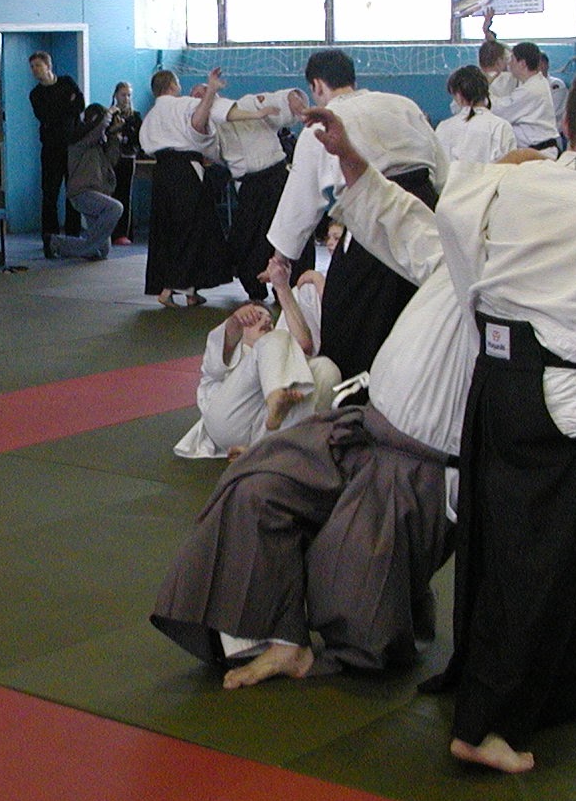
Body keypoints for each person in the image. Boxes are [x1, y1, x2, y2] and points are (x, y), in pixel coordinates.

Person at [154, 105, 465, 683]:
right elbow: (401, 221)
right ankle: (274, 637)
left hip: (418, 461)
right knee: (253, 485)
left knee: (353, 586)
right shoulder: (445, 254)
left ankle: (336, 632)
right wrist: (351, 163)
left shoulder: (521, 296)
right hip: (355, 425)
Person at [421, 67, 576, 775]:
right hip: (563, 390)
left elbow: (451, 214)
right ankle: (488, 725)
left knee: (504, 530)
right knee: (538, 551)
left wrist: (483, 304)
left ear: (565, 124)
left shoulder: (506, 184)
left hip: (495, 380)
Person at [266, 48, 447, 379]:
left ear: (316, 85)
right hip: (425, 211)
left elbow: (300, 203)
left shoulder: (321, 122)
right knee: (426, 311)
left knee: (351, 322)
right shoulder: (403, 104)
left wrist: (281, 259)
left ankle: (357, 394)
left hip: (371, 217)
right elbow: (441, 170)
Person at [173, 252, 340, 461]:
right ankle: (275, 398)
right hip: (228, 421)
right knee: (272, 341)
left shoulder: (280, 352)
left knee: (326, 368)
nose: (266, 321)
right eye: (256, 317)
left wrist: (283, 286)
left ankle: (263, 449)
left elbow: (305, 345)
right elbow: (215, 364)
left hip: (267, 429)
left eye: (269, 318)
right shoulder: (230, 348)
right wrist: (235, 320)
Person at [138, 67, 235, 308]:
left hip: (161, 172)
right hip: (185, 170)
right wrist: (211, 92)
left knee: (170, 230)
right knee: (192, 229)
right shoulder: (182, 104)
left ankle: (192, 290)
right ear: (174, 86)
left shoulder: (150, 116)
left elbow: (147, 146)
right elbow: (198, 124)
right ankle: (170, 287)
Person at [218, 88, 298, 301]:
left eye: (204, 93)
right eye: (196, 95)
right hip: (249, 184)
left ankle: (288, 288)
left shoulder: (249, 103)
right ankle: (255, 289)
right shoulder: (209, 122)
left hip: (276, 175)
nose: (200, 97)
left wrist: (294, 101)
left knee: (287, 230)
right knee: (248, 239)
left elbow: (280, 102)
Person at [47, 103, 126, 261]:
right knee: (116, 208)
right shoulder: (79, 142)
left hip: (97, 194)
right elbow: (98, 129)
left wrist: (114, 136)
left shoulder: (99, 145)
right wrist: (109, 113)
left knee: (101, 251)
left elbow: (112, 160)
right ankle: (65, 244)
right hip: (82, 193)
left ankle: (55, 242)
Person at [29, 52, 84, 256]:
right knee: (50, 194)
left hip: (72, 147)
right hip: (51, 149)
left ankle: (73, 238)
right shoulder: (36, 94)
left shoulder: (67, 82)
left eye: (38, 65)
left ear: (48, 65)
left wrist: (63, 108)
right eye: (32, 67)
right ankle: (50, 240)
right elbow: (47, 116)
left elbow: (79, 106)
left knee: (73, 192)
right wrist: (66, 105)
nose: (35, 70)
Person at [490, 41, 560, 156]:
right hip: (534, 150)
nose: (509, 63)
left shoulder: (531, 89)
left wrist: (484, 93)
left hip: (539, 152)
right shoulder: (536, 81)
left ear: (522, 64)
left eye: (512, 59)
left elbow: (500, 110)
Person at [436, 66, 518, 164]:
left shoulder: (443, 127)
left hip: (454, 174)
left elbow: (438, 166)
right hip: (490, 174)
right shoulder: (501, 127)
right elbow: (509, 167)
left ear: (458, 95)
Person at [107, 81, 143, 245]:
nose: (126, 98)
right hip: (112, 159)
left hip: (128, 157)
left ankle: (124, 232)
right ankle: (109, 231)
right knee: (111, 194)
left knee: (125, 195)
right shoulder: (109, 115)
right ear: (116, 95)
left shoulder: (135, 117)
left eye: (129, 95)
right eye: (123, 95)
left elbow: (139, 139)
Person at [539, 52, 568, 127]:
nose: (540, 67)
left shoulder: (556, 84)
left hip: (555, 129)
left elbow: (551, 112)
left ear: (547, 65)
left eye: (542, 64)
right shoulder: (528, 86)